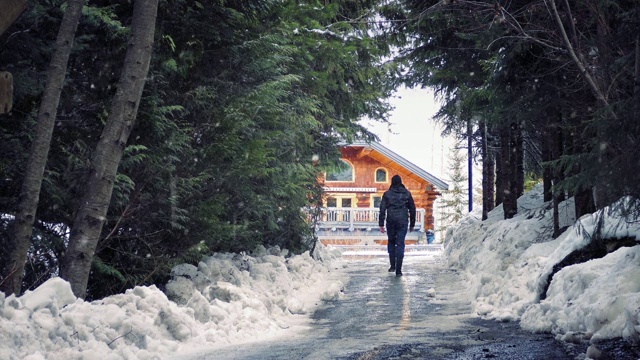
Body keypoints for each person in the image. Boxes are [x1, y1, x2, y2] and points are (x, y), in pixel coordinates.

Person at [379, 175, 416, 277]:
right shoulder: (407, 194)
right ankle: (399, 270)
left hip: (391, 220)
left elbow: (382, 209)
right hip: (402, 221)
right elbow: (412, 209)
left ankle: (392, 266)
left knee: (391, 241)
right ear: (401, 182)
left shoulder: (387, 194)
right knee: (400, 243)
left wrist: (381, 223)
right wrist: (412, 224)